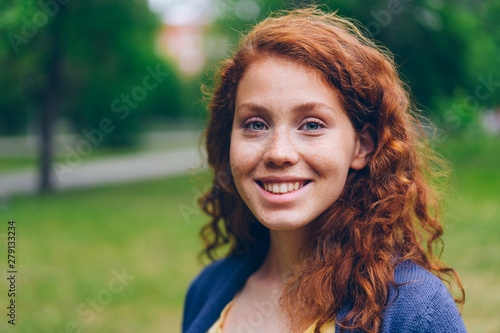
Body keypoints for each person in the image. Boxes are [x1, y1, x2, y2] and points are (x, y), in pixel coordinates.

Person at [182, 7, 466, 333]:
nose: (278, 153)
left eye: (312, 124)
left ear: (363, 147)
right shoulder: (206, 289)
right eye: (255, 123)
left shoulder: (413, 308)